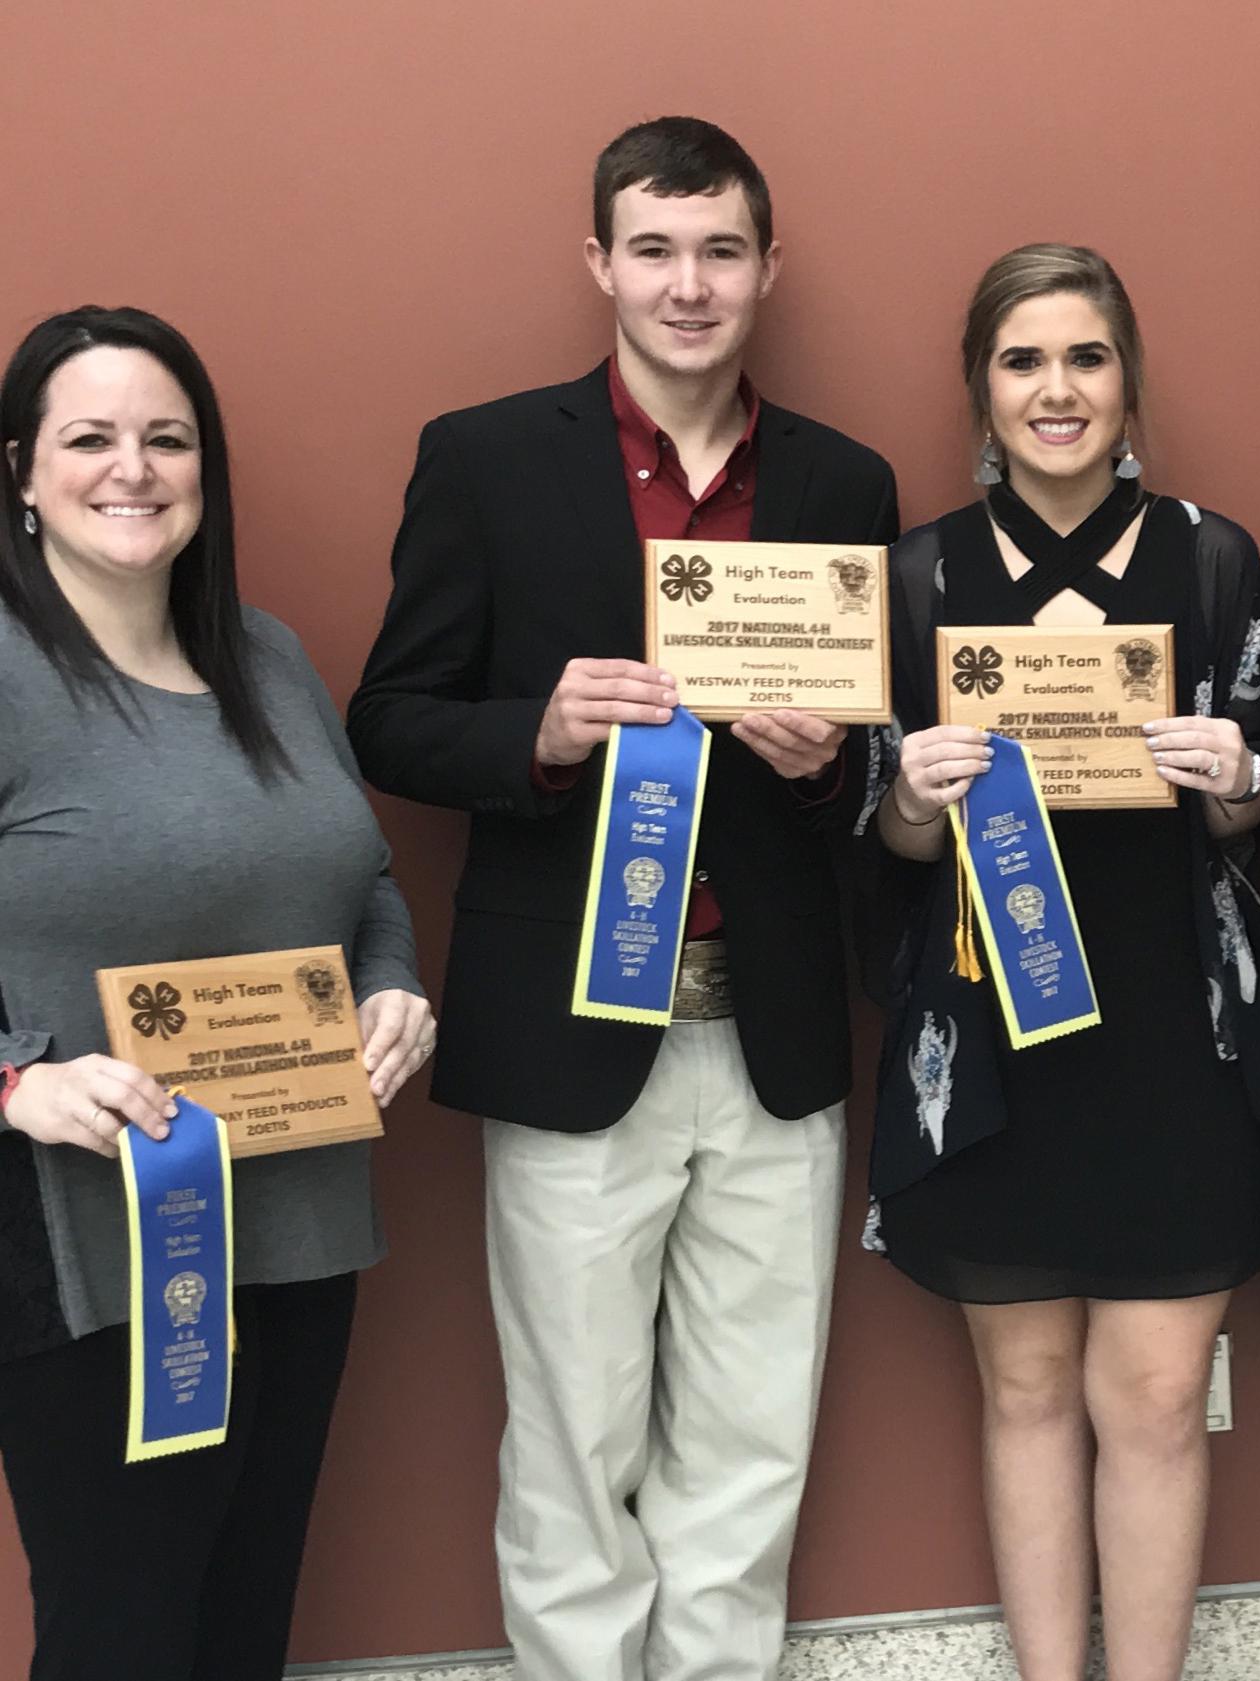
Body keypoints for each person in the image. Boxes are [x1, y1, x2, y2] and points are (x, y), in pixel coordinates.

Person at [346, 119, 897, 1681]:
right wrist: (535, 729)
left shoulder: (844, 481)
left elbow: (871, 768)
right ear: (599, 261)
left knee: (751, 1442)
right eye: (653, 248)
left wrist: (816, 766)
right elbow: (387, 718)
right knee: (574, 1443)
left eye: (721, 249)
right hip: (574, 1028)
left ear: (768, 267)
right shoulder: (486, 457)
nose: (688, 283)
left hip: (774, 1038)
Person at [865, 243, 1260, 1681]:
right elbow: (890, 839)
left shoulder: (1212, 555)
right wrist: (913, 799)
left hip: (1174, 1027)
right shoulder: (918, 574)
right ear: (981, 393)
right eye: (1022, 361)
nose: (1057, 390)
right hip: (995, 1031)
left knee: (1162, 1395)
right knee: (1029, 1387)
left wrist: (1235, 772)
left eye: (1086, 358)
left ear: (1127, 381)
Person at [0, 305, 432, 1681]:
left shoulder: (269, 657)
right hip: (88, 1239)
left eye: (166, 437)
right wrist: (17, 1079)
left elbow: (357, 876)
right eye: (91, 437)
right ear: (22, 469)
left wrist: (392, 990)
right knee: (121, 1632)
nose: (133, 468)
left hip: (296, 1224)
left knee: (244, 1624)